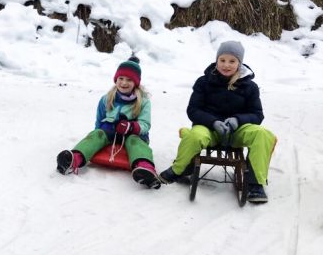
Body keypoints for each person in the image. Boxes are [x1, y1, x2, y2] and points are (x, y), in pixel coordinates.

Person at [159, 41, 277, 203]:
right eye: (222, 60)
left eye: (232, 61)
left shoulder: (250, 87)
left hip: (237, 132)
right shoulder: (203, 82)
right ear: (217, 60)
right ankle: (178, 169)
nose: (226, 65)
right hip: (209, 129)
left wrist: (238, 120)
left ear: (239, 63)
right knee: (195, 135)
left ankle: (255, 183)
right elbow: (193, 110)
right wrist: (213, 122)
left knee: (263, 135)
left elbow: (257, 115)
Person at [56, 57, 161, 189]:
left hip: (133, 136)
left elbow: (145, 125)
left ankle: (145, 169)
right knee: (98, 134)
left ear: (136, 83)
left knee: (135, 142)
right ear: (116, 79)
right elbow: (99, 122)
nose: (124, 83)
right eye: (121, 78)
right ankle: (74, 158)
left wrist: (131, 127)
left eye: (129, 80)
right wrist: (96, 140)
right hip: (110, 134)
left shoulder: (144, 102)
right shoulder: (106, 99)